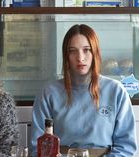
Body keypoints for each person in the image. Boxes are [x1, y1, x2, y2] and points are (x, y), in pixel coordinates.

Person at [31, 24, 137, 157]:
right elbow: (37, 146)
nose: (80, 58)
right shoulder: (48, 93)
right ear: (66, 56)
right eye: (72, 51)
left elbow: (126, 146)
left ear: (95, 52)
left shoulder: (116, 91)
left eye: (86, 50)